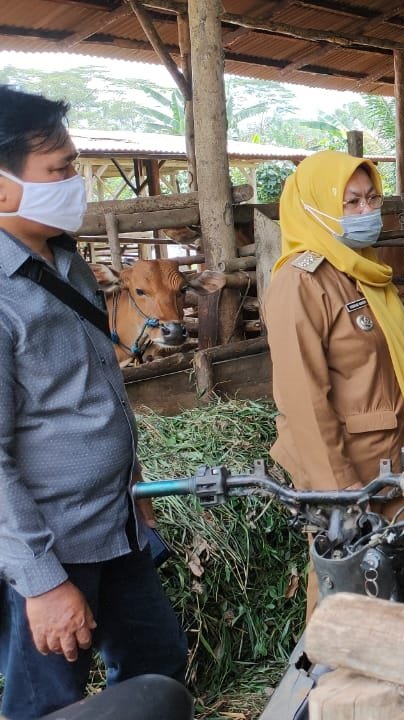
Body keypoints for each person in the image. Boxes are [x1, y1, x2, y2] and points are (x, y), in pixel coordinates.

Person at [0, 85, 187, 719]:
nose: (74, 184)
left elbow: (91, 393)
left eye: (74, 166)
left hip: (117, 525)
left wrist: (133, 489)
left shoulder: (64, 262)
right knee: (49, 703)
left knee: (159, 666)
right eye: (58, 171)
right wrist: (44, 583)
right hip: (55, 546)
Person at [264, 151, 404, 614]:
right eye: (350, 202)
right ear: (316, 208)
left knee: (397, 586)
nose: (366, 212)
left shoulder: (364, 272)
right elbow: (304, 402)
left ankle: (398, 680)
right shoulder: (301, 284)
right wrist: (339, 496)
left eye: (371, 199)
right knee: (348, 593)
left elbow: (394, 368)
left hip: (391, 463)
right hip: (349, 474)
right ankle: (327, 683)